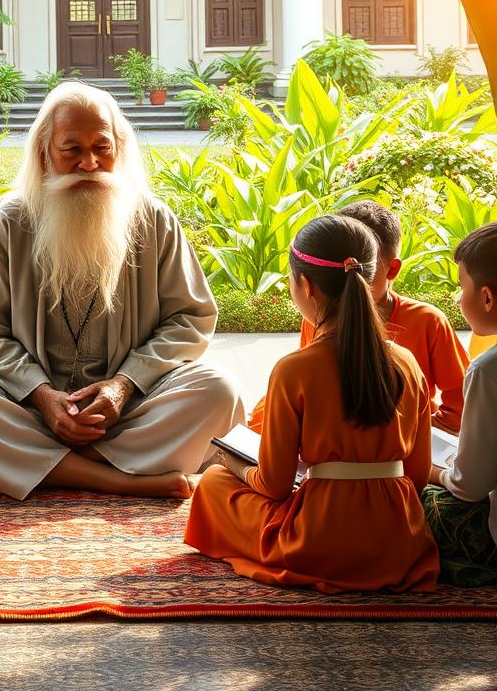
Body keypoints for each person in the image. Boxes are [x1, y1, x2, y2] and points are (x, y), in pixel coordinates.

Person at [0, 82, 243, 500]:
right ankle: (114, 475)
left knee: (217, 389)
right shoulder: (10, 225)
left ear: (119, 148)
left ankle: (35, 467)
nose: (90, 163)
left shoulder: (153, 221)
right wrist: (42, 397)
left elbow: (190, 319)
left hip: (128, 409)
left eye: (102, 147)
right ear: (45, 153)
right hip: (31, 409)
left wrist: (124, 385)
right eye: (71, 149)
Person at [185, 214, 439, 593]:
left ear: (305, 285)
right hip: (398, 543)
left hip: (319, 543)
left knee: (214, 483)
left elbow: (274, 486)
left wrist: (235, 465)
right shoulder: (406, 362)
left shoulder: (295, 369)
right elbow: (416, 477)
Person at [248, 201, 468, 433]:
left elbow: (461, 410)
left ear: (391, 269)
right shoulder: (315, 319)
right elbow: (311, 391)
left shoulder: (428, 321)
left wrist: (404, 431)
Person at [422, 225, 497, 586]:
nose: (457, 297)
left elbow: (470, 487)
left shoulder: (487, 370)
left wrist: (431, 469)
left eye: (461, 285)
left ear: (486, 298)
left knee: (414, 498)